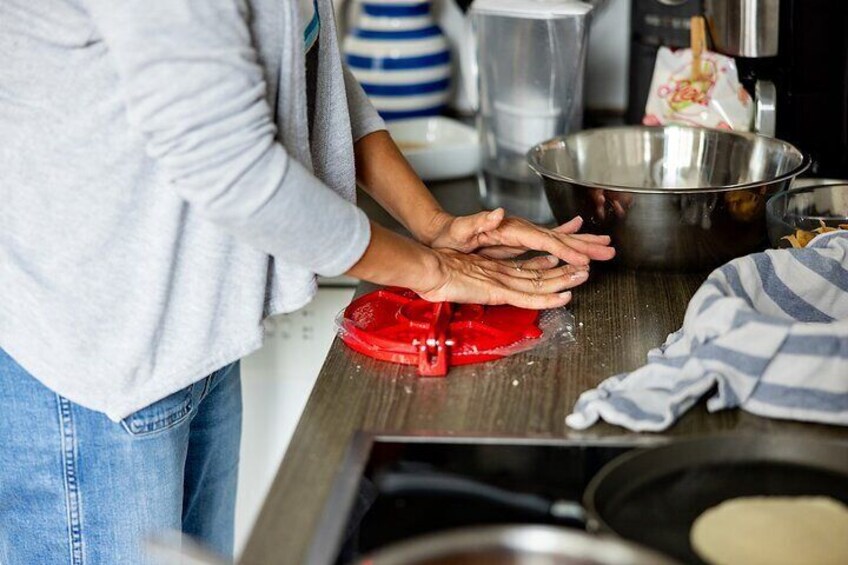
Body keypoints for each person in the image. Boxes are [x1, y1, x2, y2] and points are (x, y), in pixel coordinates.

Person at [0, 0, 614, 562]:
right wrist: (434, 271)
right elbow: (234, 171)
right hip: (91, 349)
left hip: (191, 328)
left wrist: (432, 225)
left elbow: (305, 67)